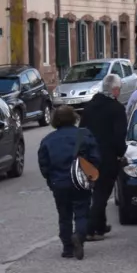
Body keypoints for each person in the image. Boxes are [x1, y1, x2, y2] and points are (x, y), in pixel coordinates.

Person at [37, 106, 100, 259]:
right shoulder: (84, 135)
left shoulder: (48, 140)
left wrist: (51, 180)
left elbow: (44, 164)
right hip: (80, 181)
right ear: (74, 118)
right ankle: (79, 235)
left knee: (64, 216)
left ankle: (67, 248)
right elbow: (96, 158)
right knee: (82, 212)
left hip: (59, 183)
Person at [78, 72, 127, 238]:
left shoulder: (89, 107)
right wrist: (121, 153)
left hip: (89, 157)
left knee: (96, 191)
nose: (119, 92)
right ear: (113, 90)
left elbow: (81, 131)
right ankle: (89, 229)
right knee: (102, 194)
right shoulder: (117, 109)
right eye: (118, 89)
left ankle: (99, 226)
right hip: (107, 157)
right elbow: (119, 136)